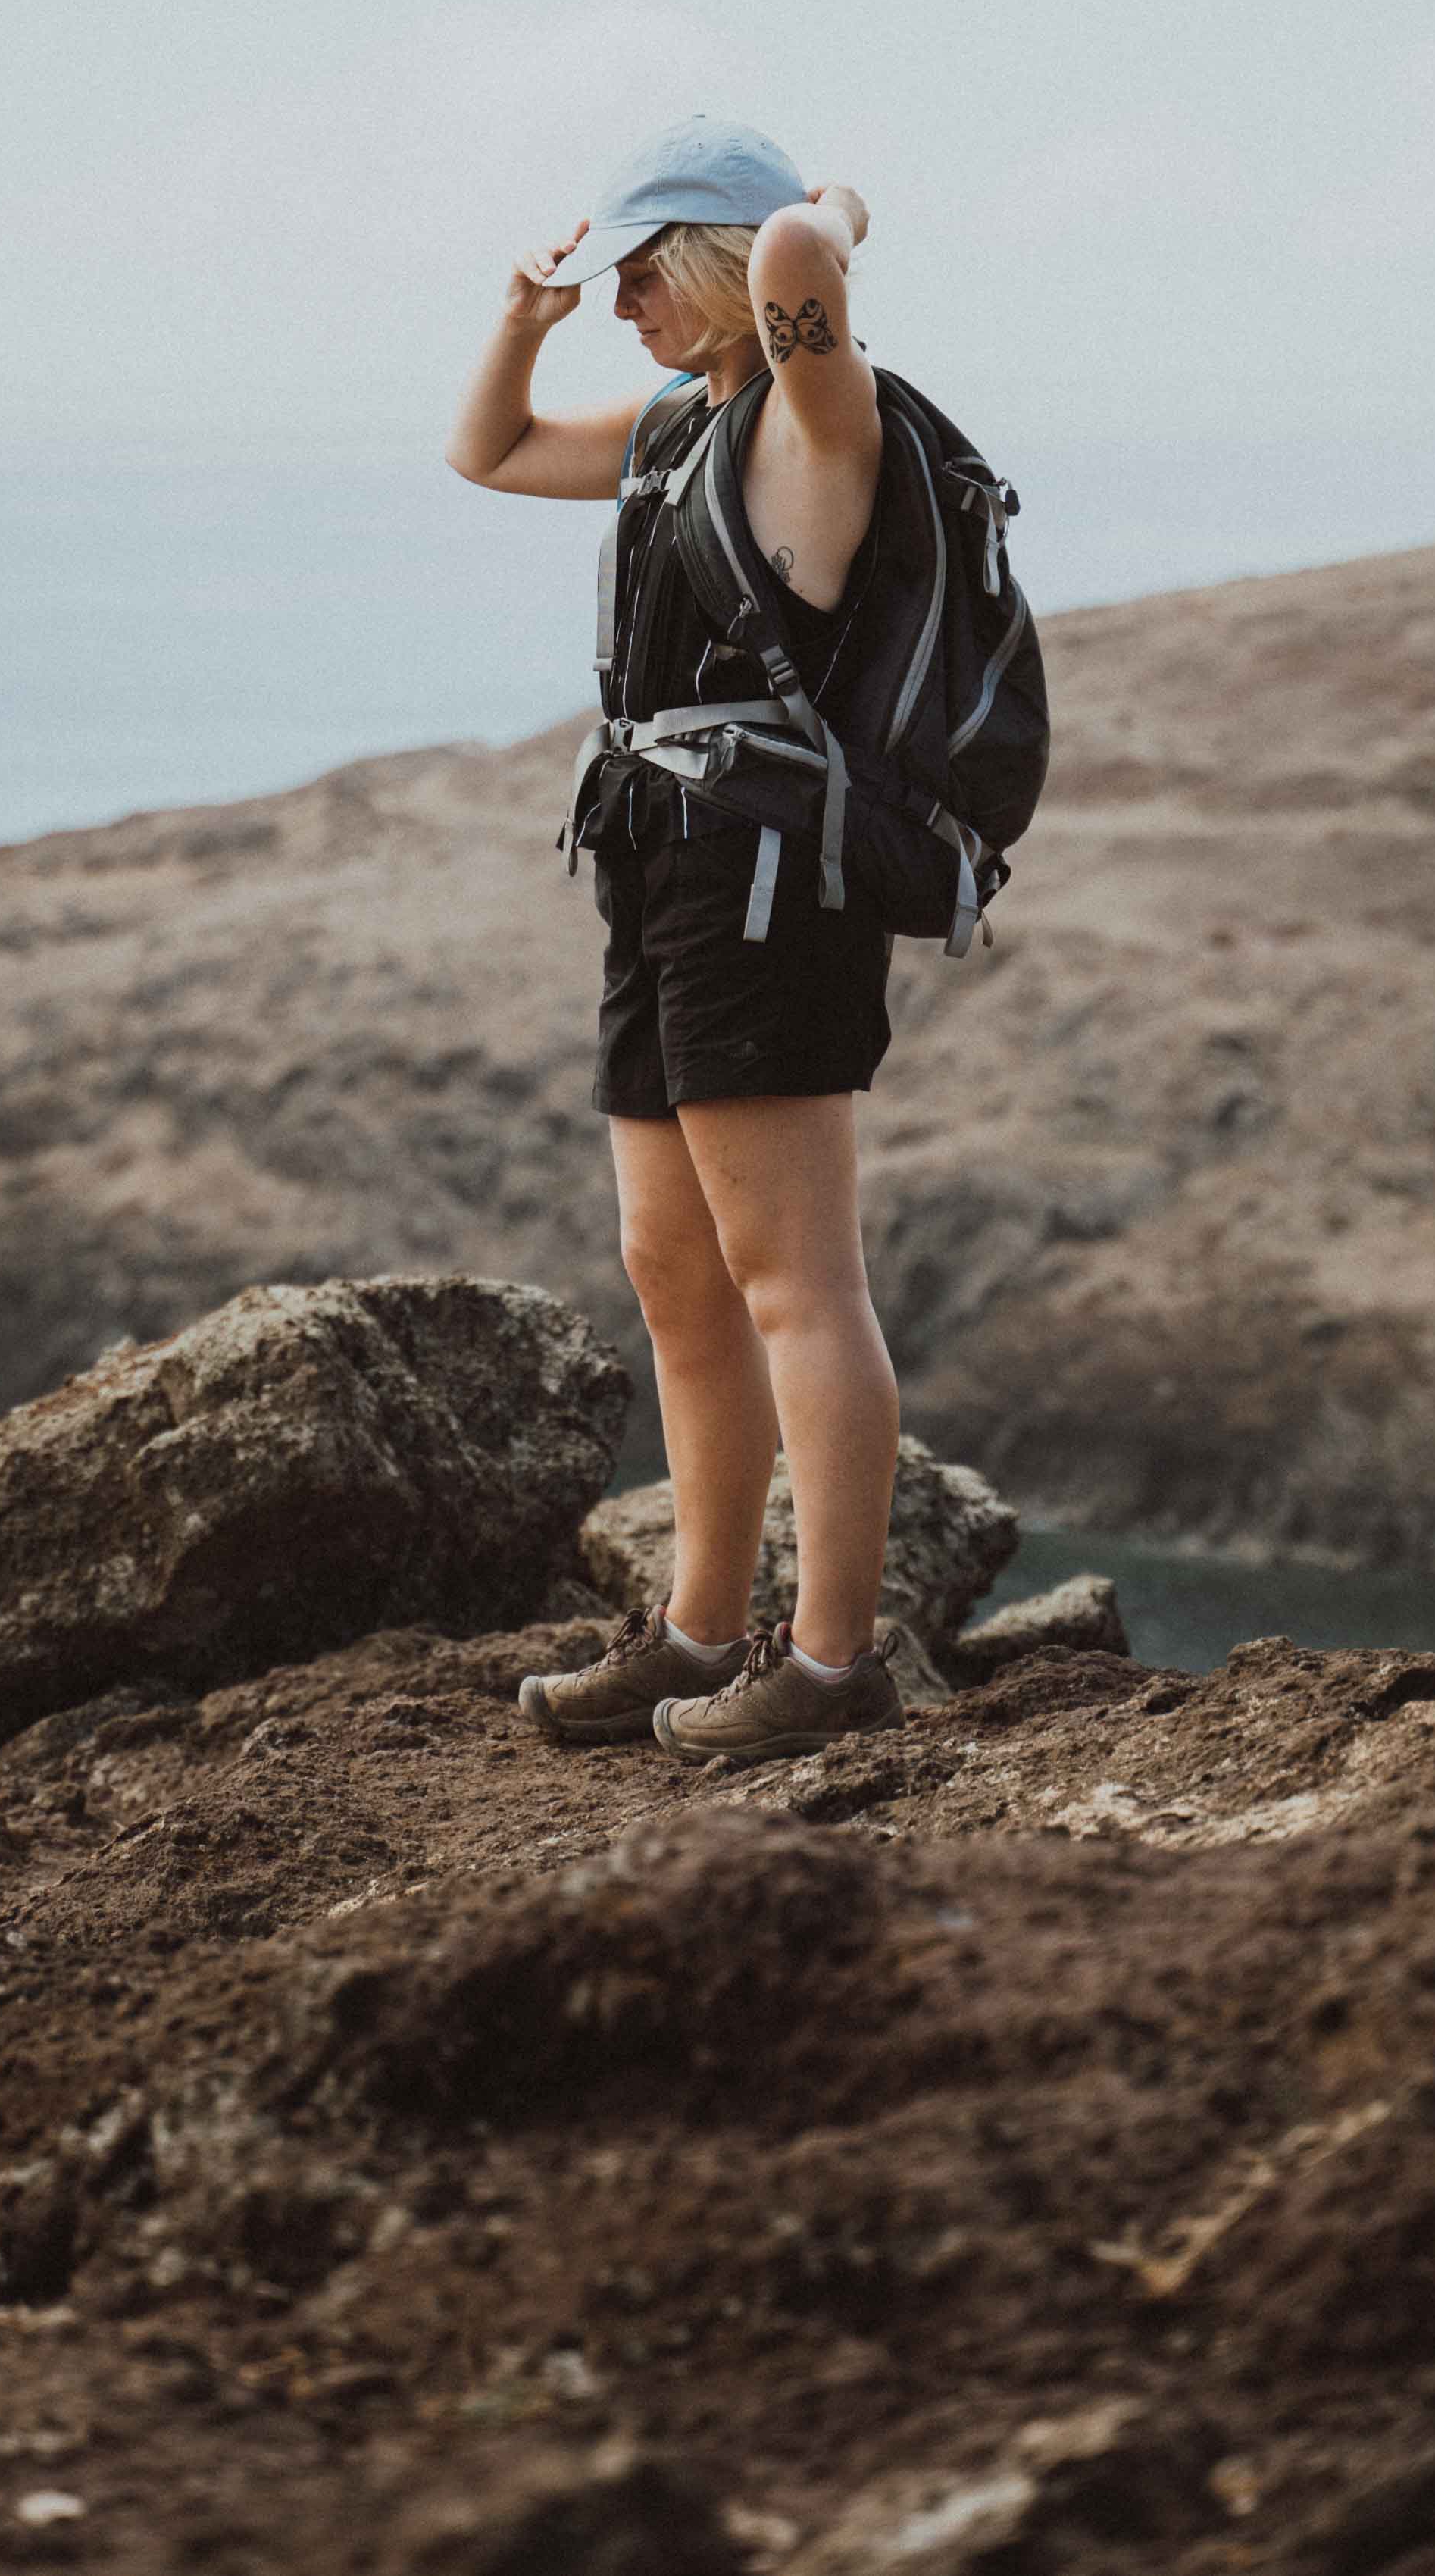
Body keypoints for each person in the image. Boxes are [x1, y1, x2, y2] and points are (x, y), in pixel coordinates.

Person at [446, 114, 905, 1770]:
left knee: (796, 1276)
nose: (625, 291)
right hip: (656, 861)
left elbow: (804, 257)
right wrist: (525, 312)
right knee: (672, 1264)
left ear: (727, 261)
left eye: (650, 265)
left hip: (770, 877)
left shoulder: (814, 417)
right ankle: (702, 1628)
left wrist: (818, 206)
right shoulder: (672, 429)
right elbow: (485, 450)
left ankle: (833, 1656)